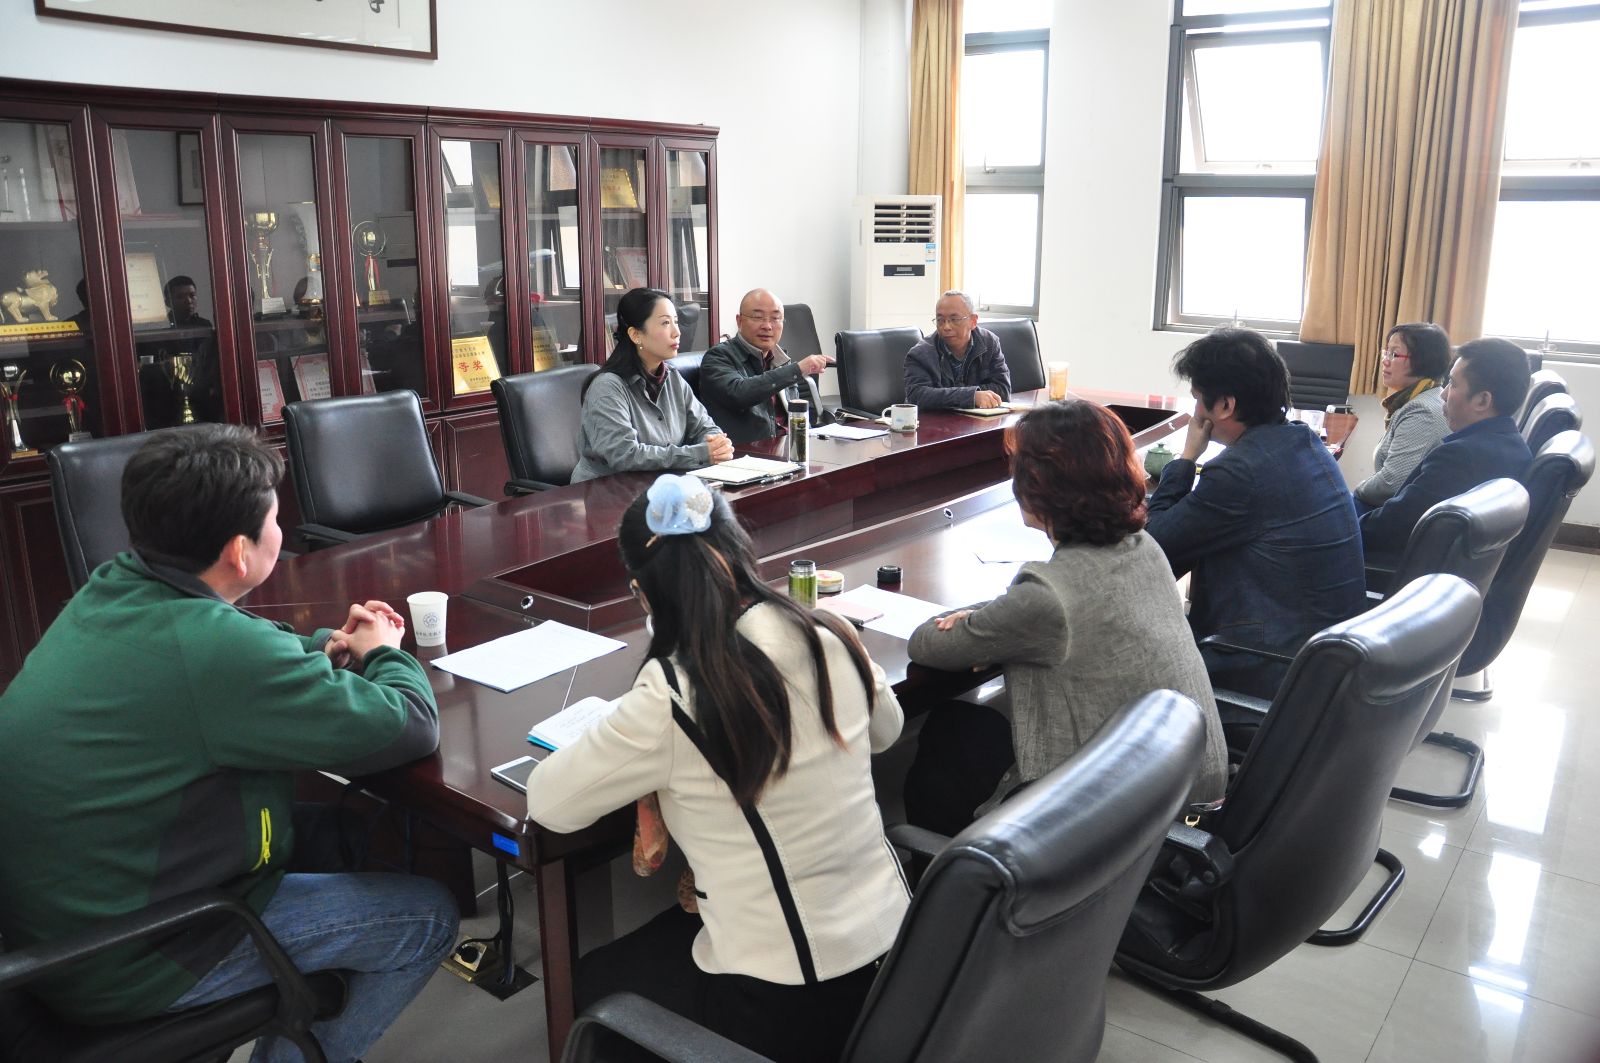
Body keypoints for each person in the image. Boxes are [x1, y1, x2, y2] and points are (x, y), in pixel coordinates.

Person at [0, 424, 458, 1063]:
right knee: (427, 918)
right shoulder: (208, 651)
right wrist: (385, 653)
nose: (282, 530)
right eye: (276, 519)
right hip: (136, 957)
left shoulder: (115, 587)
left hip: (63, 923)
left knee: (353, 831)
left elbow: (229, 649)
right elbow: (408, 724)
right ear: (241, 552)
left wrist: (324, 647)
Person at [526, 474, 907, 1063]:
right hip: (899, 961)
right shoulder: (828, 630)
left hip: (783, 1005)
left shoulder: (673, 692)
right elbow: (888, 730)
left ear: (642, 592)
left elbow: (548, 803)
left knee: (598, 977)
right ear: (740, 548)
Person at [904, 401, 1228, 835]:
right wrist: (998, 617)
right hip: (1185, 791)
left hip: (1117, 822)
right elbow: (1040, 609)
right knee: (969, 726)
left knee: (945, 738)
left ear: (1040, 486)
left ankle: (952, 874)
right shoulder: (1144, 547)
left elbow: (927, 643)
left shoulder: (1048, 596)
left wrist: (982, 620)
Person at [1146, 329, 1366, 697]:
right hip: (1324, 659)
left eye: (1198, 399)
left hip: (1271, 666)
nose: (1195, 412)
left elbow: (1153, 551)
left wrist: (1185, 460)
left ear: (1225, 406)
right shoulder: (1305, 441)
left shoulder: (1241, 472)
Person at [1359, 336, 1533, 565]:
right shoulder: (1515, 447)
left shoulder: (1459, 458)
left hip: (1393, 568)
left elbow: (1389, 528)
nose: (1443, 394)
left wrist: (1337, 529)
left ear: (1482, 401)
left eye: (1453, 384)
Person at [572, 287, 734, 482]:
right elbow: (625, 455)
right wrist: (699, 454)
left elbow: (704, 427)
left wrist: (717, 445)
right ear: (636, 335)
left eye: (676, 321)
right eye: (665, 323)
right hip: (607, 490)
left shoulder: (673, 378)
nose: (677, 332)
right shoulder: (607, 387)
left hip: (661, 484)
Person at [699, 288, 833, 444]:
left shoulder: (780, 359)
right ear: (739, 321)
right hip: (751, 452)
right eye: (758, 317)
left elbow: (795, 415)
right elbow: (740, 394)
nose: (767, 326)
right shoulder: (718, 357)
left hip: (790, 446)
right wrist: (797, 369)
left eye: (775, 318)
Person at [1352, 322, 1452, 509]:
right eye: (1386, 352)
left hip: (1400, 514)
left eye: (1394, 354)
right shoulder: (1425, 397)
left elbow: (1390, 484)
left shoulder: (1422, 410)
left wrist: (1353, 492)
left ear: (1422, 361)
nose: (1385, 361)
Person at [903, 289, 1011, 410]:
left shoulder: (989, 343)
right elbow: (916, 396)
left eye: (954, 319)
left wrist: (954, 396)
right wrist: (972, 396)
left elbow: (1003, 390)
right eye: (940, 320)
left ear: (973, 321)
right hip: (936, 420)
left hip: (979, 420)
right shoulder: (920, 354)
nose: (946, 327)